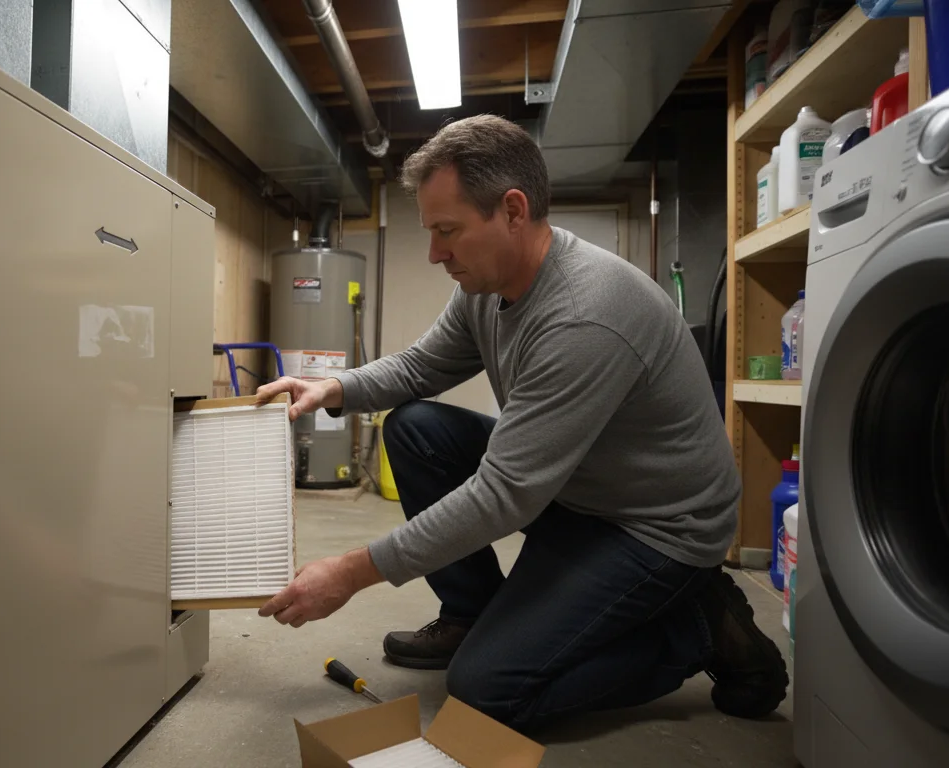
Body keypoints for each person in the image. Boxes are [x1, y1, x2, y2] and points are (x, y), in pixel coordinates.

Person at [253, 115, 788, 732]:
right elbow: (425, 365)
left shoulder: (584, 318)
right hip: (580, 489)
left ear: (512, 210)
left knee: (487, 693)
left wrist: (350, 572)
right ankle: (472, 615)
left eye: (447, 231)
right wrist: (334, 388)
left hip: (654, 527)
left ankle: (694, 629)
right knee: (416, 429)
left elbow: (504, 495)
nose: (434, 254)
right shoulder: (485, 283)